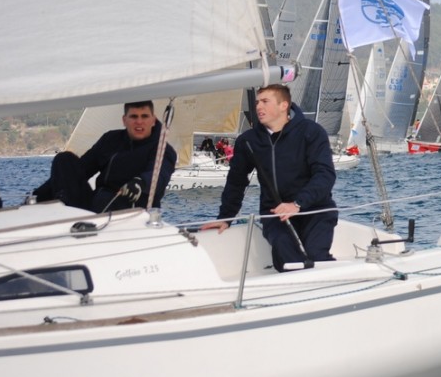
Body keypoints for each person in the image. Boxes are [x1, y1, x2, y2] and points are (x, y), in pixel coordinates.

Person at [201, 84, 338, 272]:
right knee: (288, 262)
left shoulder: (311, 132)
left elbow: (325, 175)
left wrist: (297, 204)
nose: (258, 107)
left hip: (315, 210)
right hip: (275, 213)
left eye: (265, 101)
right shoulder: (248, 141)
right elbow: (236, 182)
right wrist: (225, 217)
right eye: (257, 102)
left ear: (284, 105)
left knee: (317, 257)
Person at [32, 101, 177, 212]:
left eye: (144, 116)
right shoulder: (111, 140)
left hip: (131, 212)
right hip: (95, 207)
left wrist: (141, 183)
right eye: (133, 116)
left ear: (153, 120)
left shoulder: (162, 149)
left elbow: (159, 175)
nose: (139, 121)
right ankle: (55, 209)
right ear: (124, 120)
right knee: (64, 160)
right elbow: (82, 168)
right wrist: (38, 195)